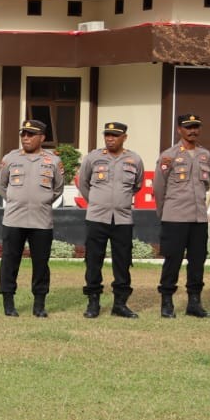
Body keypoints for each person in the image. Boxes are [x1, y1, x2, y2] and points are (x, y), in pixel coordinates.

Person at [0, 119, 64, 317]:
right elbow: (2, 186)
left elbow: (57, 189)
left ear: (42, 138)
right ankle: (9, 303)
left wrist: (41, 201)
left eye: (30, 134)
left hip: (41, 220)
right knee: (10, 261)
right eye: (23, 134)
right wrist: (16, 200)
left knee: (41, 264)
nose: (25, 138)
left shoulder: (53, 161)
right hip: (14, 220)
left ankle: (39, 304)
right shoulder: (10, 158)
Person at [77, 122, 145, 319]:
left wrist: (119, 201)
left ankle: (120, 304)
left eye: (115, 135)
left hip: (123, 219)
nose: (110, 138)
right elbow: (83, 183)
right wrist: (98, 202)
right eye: (107, 135)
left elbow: (137, 186)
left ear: (124, 137)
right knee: (93, 261)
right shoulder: (93, 157)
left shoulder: (134, 159)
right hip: (97, 218)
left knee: (122, 262)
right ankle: (93, 302)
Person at [153, 113, 210, 319]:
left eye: (196, 127)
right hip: (175, 217)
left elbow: (205, 185)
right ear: (179, 130)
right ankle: (167, 301)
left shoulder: (205, 154)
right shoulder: (168, 156)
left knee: (198, 260)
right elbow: (159, 187)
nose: (193, 131)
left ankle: (194, 303)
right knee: (173, 260)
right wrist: (164, 212)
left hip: (199, 218)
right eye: (188, 127)